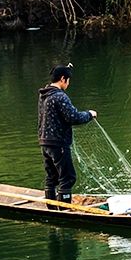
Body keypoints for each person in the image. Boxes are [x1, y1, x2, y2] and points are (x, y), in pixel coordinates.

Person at [38, 64, 97, 208]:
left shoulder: (44, 94)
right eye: (68, 80)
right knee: (68, 178)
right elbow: (73, 117)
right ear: (63, 79)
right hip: (58, 143)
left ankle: (51, 209)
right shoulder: (59, 96)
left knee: (52, 177)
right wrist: (90, 114)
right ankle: (64, 211)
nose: (68, 84)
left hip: (45, 142)